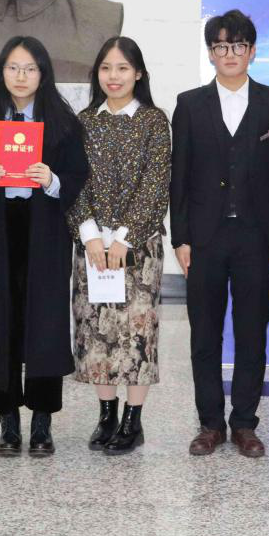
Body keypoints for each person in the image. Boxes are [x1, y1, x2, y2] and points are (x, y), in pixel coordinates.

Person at [0, 36, 89, 456]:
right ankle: (8, 421)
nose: (21, 76)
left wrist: (52, 181)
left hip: (44, 234)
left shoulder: (63, 124)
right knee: (1, 326)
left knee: (45, 327)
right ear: (1, 72)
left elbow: (79, 176)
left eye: (30, 68)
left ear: (43, 74)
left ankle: (43, 423)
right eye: (13, 67)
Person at [170, 9, 269, 458]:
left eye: (238, 45)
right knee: (204, 334)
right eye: (220, 46)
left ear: (252, 51)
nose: (229, 54)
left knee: (251, 333)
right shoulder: (190, 104)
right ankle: (209, 424)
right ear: (210, 53)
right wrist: (180, 237)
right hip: (204, 237)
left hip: (256, 237)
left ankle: (244, 423)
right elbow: (179, 177)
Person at [67, 37, 170, 455]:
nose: (114, 76)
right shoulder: (83, 121)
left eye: (123, 68)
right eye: (106, 68)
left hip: (138, 249)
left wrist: (124, 236)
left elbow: (155, 183)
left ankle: (133, 420)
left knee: (137, 336)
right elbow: (73, 180)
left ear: (138, 74)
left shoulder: (153, 121)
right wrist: (90, 233)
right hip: (91, 248)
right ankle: (106, 414)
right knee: (96, 334)